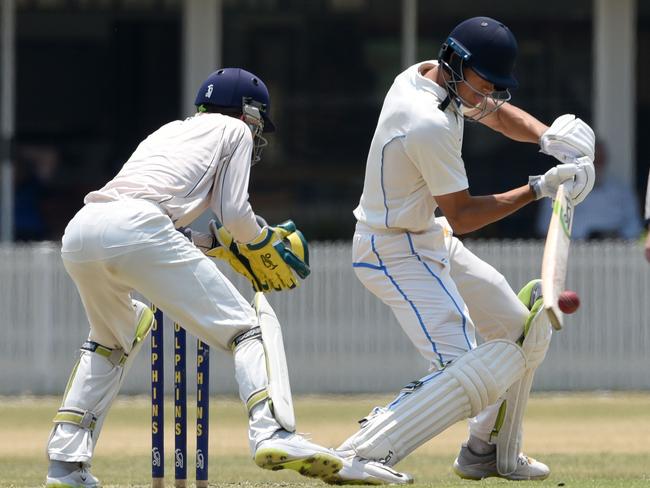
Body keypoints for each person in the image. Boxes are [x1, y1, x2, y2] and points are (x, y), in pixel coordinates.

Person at [45, 67, 372, 487]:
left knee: (111, 340)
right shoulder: (233, 132)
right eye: (258, 122)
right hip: (140, 229)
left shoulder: (167, 132)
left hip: (83, 231)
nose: (257, 134)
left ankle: (65, 464)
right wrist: (260, 240)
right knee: (248, 330)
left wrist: (214, 243)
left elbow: (153, 216)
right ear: (248, 112)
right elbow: (235, 214)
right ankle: (272, 431)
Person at [331, 17, 596, 484]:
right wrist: (539, 188)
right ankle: (362, 451)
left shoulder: (436, 75)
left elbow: (493, 113)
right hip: (391, 250)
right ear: (458, 65)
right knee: (465, 367)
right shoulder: (425, 121)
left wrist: (548, 139)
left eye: (497, 85)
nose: (489, 94)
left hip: (427, 237)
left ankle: (485, 450)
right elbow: (465, 216)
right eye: (485, 83)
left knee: (519, 332)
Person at [536, 141, 642, 240]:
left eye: (601, 160)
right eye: (592, 161)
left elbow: (635, 227)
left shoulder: (621, 191)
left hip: (614, 252)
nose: (597, 165)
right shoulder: (559, 189)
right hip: (573, 250)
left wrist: (618, 236)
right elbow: (545, 228)